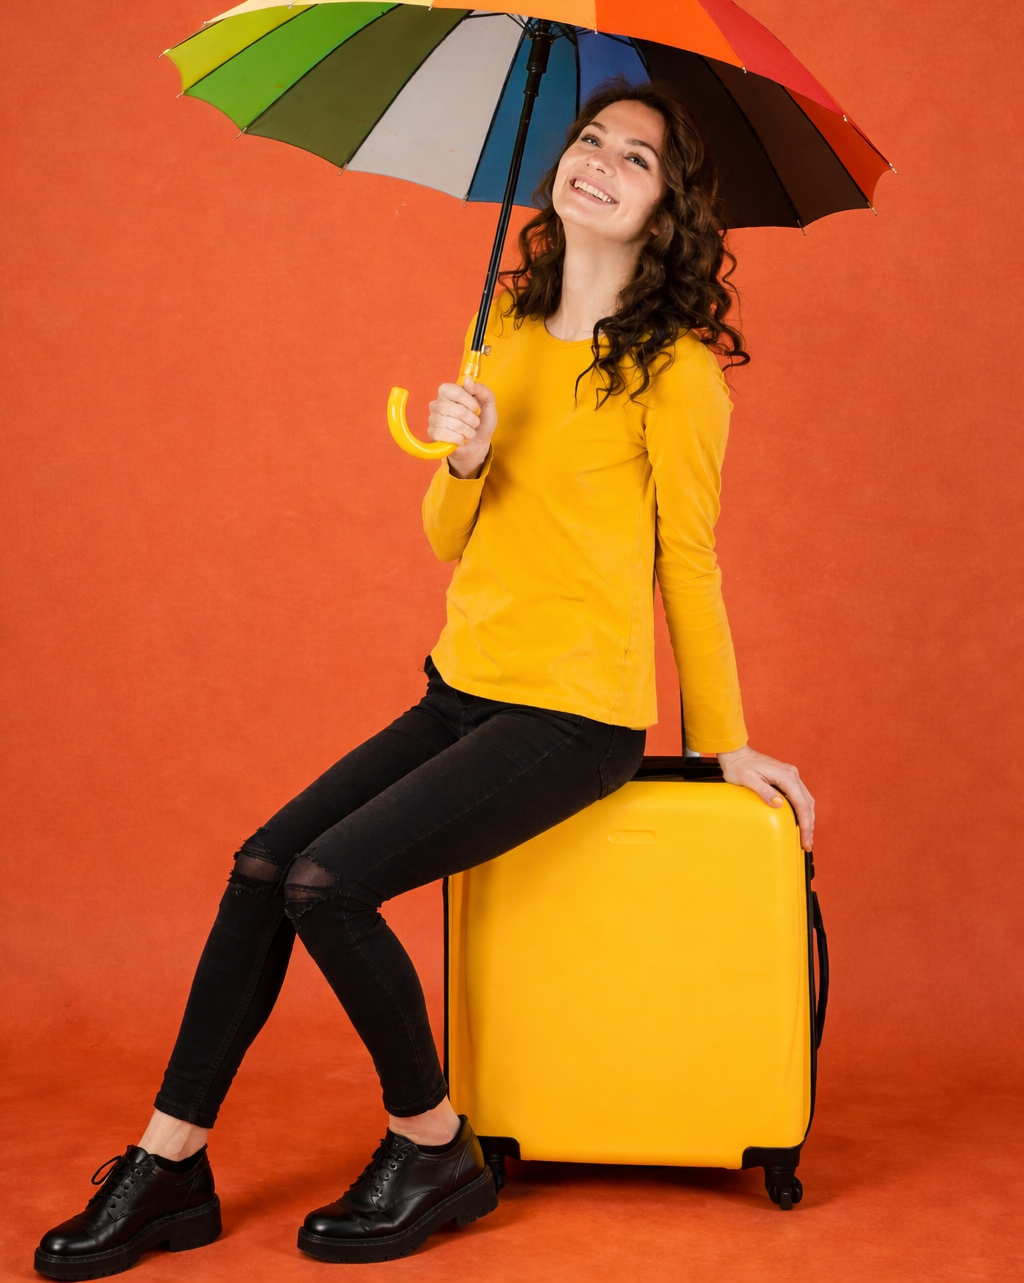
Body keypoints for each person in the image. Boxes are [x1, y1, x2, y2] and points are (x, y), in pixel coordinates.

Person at [35, 77, 815, 1277]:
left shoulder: (676, 373)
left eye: (637, 158)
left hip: (573, 714)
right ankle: (168, 1165)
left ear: (668, 211)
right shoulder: (502, 338)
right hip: (463, 688)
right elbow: (449, 539)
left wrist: (725, 742)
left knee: (327, 885)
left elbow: (688, 565)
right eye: (589, 141)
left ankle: (432, 1142)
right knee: (259, 868)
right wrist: (465, 454)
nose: (599, 161)